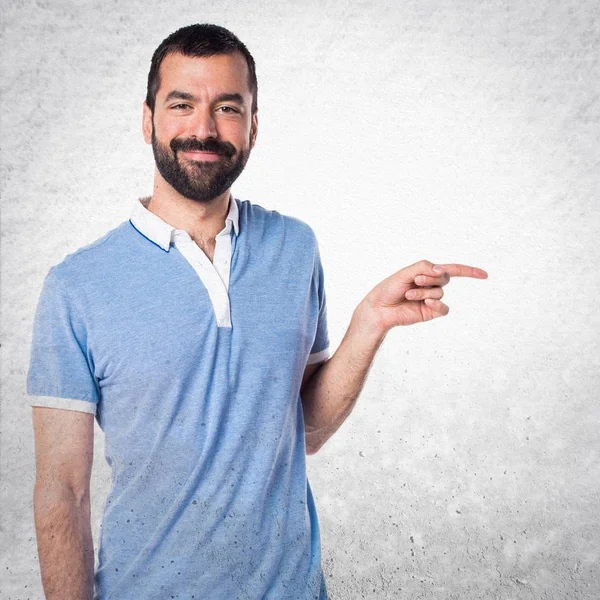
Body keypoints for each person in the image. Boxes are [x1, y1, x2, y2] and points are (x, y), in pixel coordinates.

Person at [28, 23, 488, 600]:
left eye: (227, 107)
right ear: (147, 119)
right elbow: (63, 491)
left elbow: (306, 429)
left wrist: (368, 323)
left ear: (252, 126)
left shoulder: (295, 249)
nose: (204, 128)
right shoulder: (77, 286)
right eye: (182, 104)